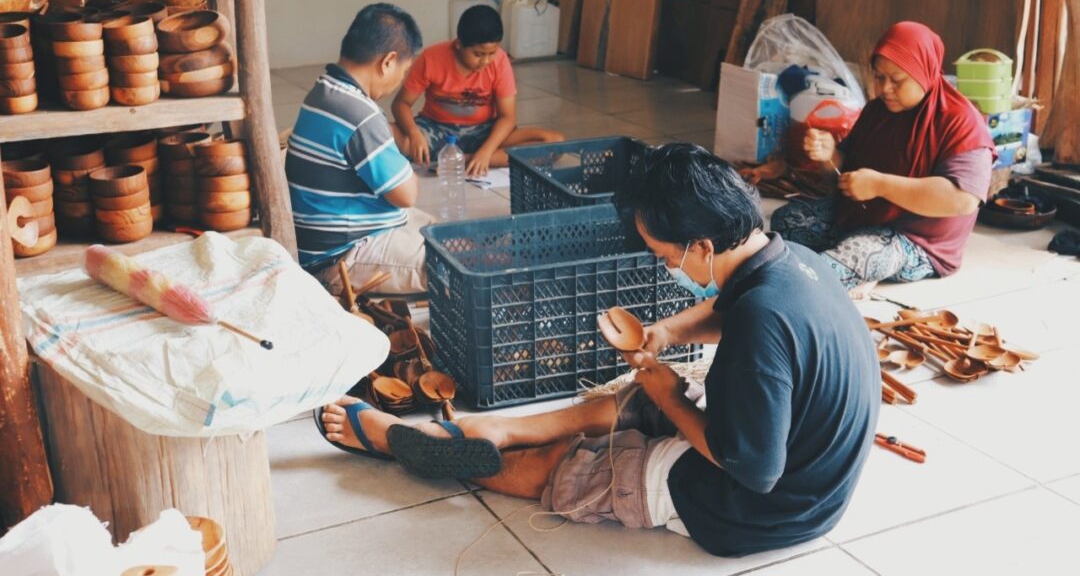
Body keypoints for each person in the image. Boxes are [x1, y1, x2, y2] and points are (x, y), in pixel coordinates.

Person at [316, 143, 879, 558]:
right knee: (630, 401)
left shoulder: (762, 325)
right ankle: (507, 429)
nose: (665, 267)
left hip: (764, 507)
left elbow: (754, 470)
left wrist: (675, 399)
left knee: (562, 470)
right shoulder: (788, 259)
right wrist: (666, 334)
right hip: (804, 464)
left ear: (703, 245)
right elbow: (732, 312)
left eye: (665, 256)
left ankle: (408, 444)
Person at [770, 21, 995, 293]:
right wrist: (828, 155)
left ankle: (794, 287)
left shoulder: (961, 123)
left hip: (917, 239)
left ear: (924, 72)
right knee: (787, 222)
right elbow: (845, 174)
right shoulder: (878, 111)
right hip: (867, 217)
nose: (885, 88)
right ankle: (852, 270)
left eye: (897, 80)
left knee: (845, 261)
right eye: (879, 77)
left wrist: (879, 185)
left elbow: (962, 200)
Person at [285, 3, 432, 296]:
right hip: (341, 257)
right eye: (402, 72)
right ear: (388, 61)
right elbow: (406, 194)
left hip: (332, 239)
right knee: (456, 265)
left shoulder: (324, 91)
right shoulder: (359, 113)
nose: (397, 83)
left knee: (446, 234)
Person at [391, 4, 563, 177]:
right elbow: (401, 104)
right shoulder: (431, 58)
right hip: (436, 131)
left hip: (484, 133)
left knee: (554, 143)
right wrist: (414, 134)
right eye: (478, 54)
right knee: (385, 132)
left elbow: (507, 117)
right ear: (459, 45)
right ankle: (453, 156)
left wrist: (486, 153)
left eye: (492, 53)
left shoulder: (500, 62)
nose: (486, 61)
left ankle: (464, 159)